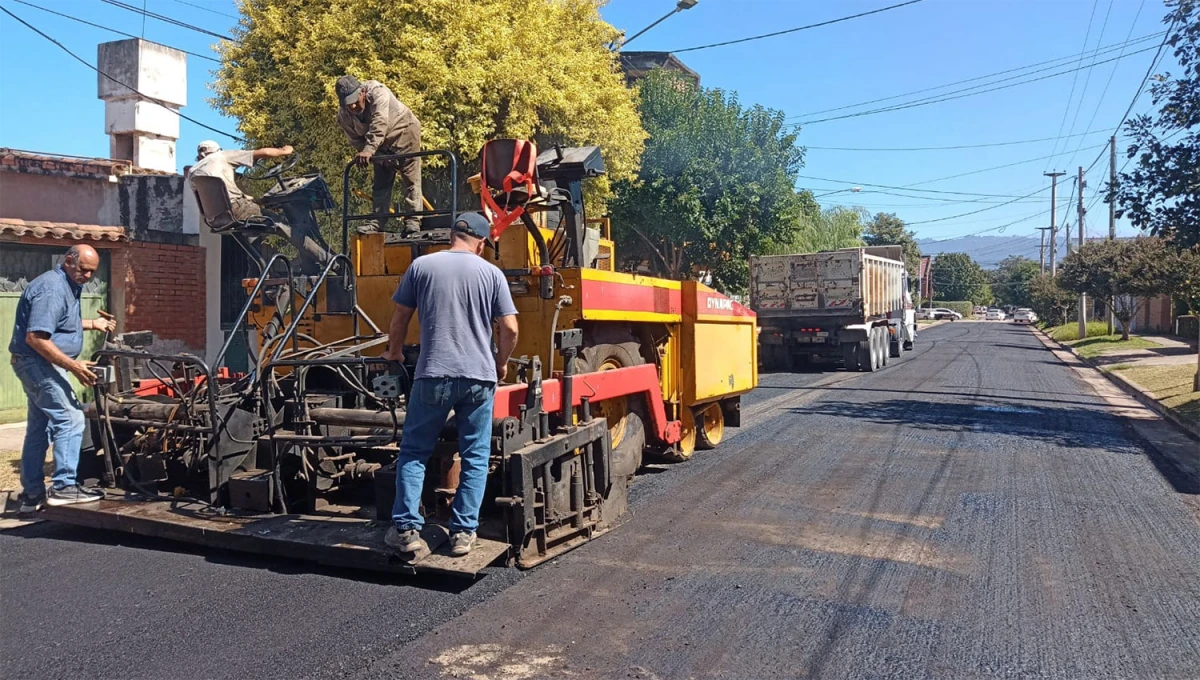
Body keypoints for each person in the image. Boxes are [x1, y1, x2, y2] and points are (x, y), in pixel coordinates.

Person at [381, 212, 518, 557]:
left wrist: (394, 352)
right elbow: (511, 328)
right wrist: (500, 363)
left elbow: (399, 317)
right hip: (478, 378)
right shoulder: (492, 274)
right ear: (482, 242)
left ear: (452, 235)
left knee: (414, 452)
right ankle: (463, 534)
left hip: (432, 374)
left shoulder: (422, 266)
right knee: (475, 456)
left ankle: (406, 530)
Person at [9, 245, 117, 511]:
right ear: (68, 260)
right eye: (83, 269)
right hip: (37, 363)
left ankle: (31, 495)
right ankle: (64, 487)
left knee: (40, 429)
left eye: (92, 272)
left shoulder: (66, 285)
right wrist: (75, 366)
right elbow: (36, 337)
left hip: (38, 364)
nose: (88, 276)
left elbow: (60, 322)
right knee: (71, 418)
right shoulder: (52, 288)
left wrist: (93, 324)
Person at [335, 75, 422, 235]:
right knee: (381, 182)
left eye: (356, 100)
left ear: (362, 91)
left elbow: (379, 123)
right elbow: (355, 140)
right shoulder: (343, 116)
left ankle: (413, 221)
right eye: (349, 104)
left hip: (404, 132)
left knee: (410, 179)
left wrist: (369, 150)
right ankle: (377, 221)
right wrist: (374, 155)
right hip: (379, 146)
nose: (354, 105)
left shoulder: (378, 92)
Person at [189, 140, 294, 221]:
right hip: (236, 210)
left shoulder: (192, 172)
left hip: (215, 220)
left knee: (256, 221)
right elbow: (265, 152)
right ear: (218, 150)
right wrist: (284, 151)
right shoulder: (221, 156)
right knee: (281, 223)